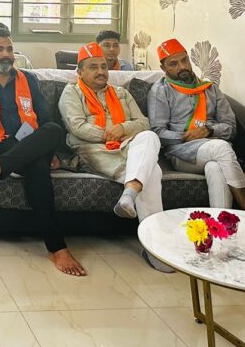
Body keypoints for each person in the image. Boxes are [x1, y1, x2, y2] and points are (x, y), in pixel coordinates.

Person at [0, 26, 85, 276]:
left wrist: (49, 150)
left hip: (29, 142)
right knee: (37, 166)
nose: (6, 54)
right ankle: (57, 247)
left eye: (9, 49)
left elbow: (45, 118)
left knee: (54, 129)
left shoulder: (28, 79)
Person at [58, 43, 168, 272]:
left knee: (149, 136)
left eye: (103, 66)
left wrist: (123, 128)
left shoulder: (121, 93)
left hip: (129, 145)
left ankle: (130, 193)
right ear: (80, 72)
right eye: (93, 67)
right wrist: (109, 134)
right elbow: (77, 127)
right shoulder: (71, 92)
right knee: (153, 172)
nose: (101, 71)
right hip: (93, 149)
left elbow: (144, 123)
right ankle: (156, 251)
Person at [147, 39, 245, 210]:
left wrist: (209, 131)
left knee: (215, 168)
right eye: (173, 64)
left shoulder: (210, 88)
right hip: (181, 152)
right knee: (221, 148)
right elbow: (157, 132)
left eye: (184, 60)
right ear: (163, 68)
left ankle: (220, 221)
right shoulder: (160, 91)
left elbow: (231, 127)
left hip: (213, 146)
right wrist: (185, 136)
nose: (182, 67)